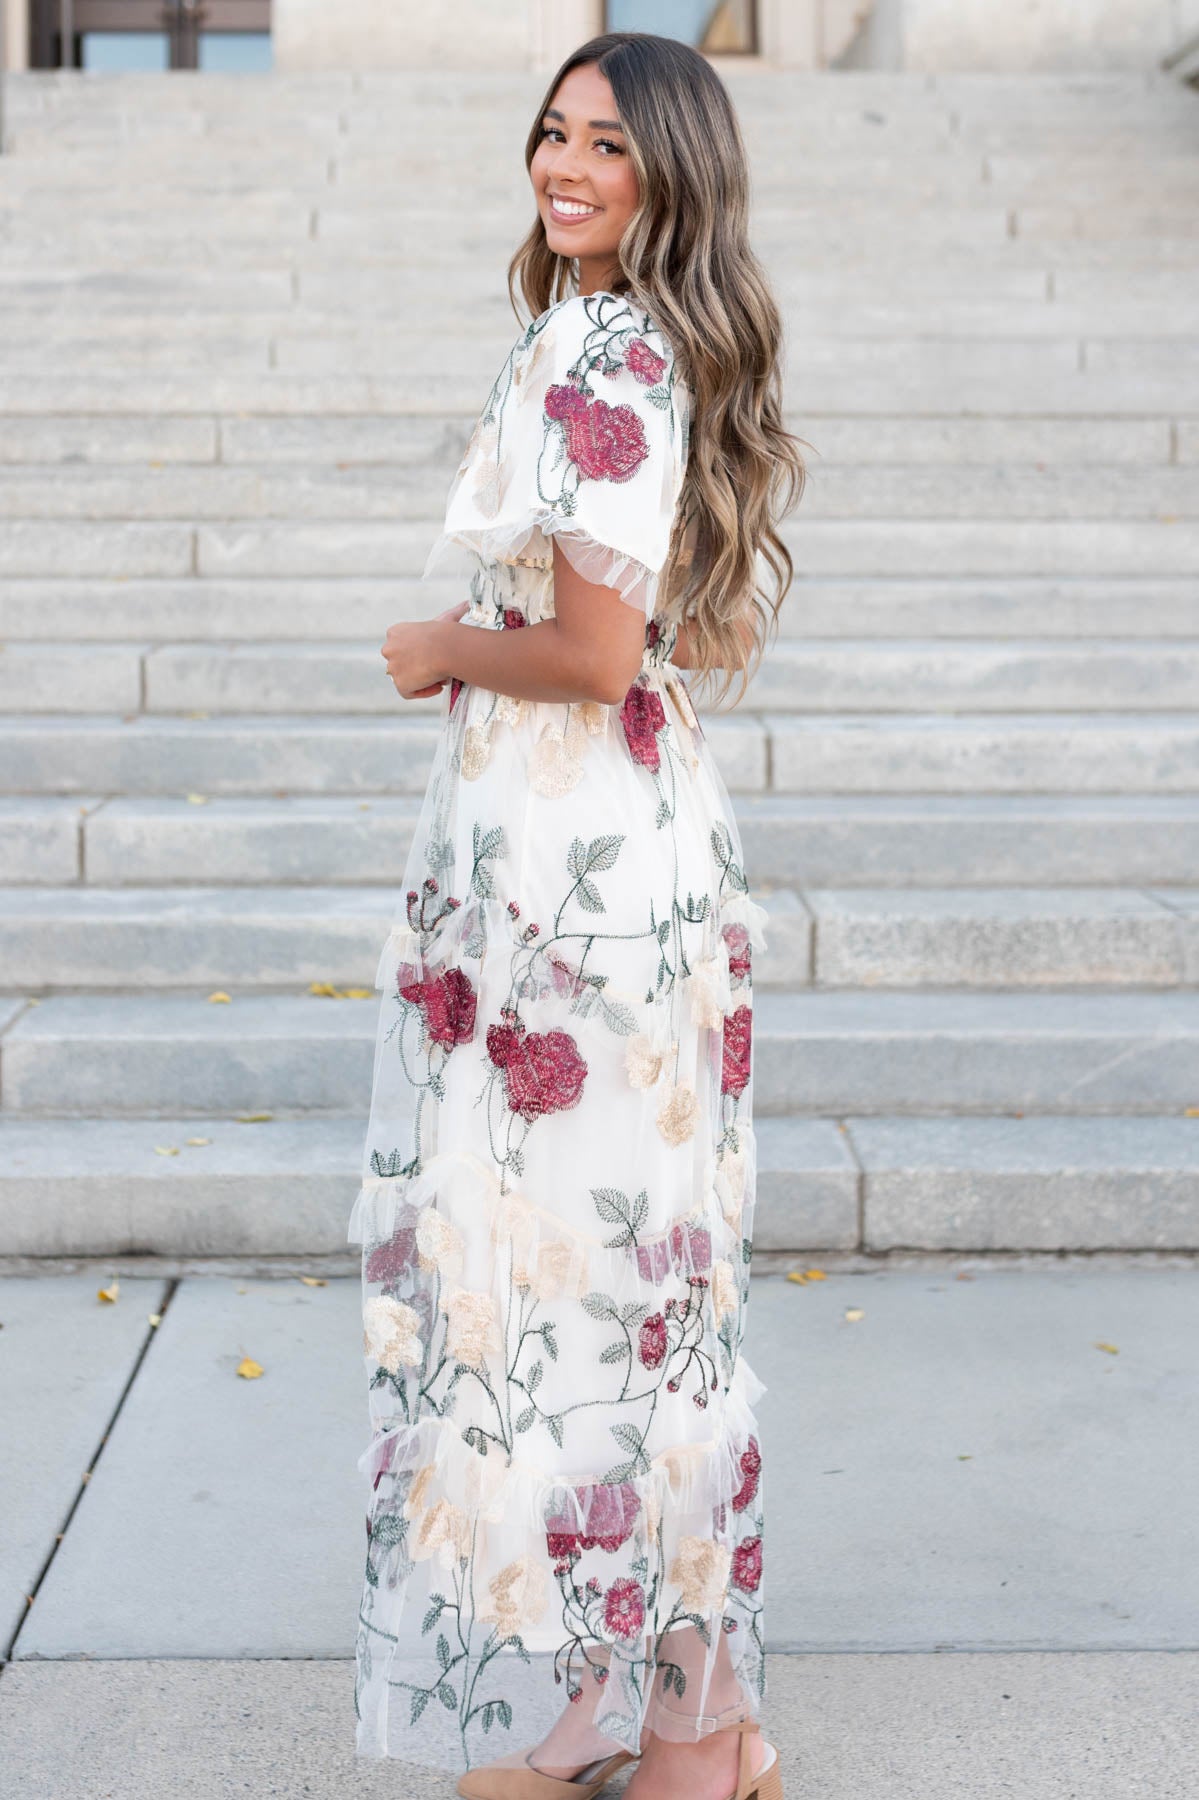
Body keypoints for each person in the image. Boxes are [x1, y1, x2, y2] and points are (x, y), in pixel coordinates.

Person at [347, 29, 805, 1800]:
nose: (565, 163)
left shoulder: (615, 343)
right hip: (578, 850)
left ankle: (690, 1723)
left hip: (578, 887)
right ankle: (659, 1705)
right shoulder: (601, 327)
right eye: (552, 131)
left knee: (611, 1281)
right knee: (625, 1280)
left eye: (607, 144)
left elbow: (596, 650)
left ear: (669, 173)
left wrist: (440, 647)